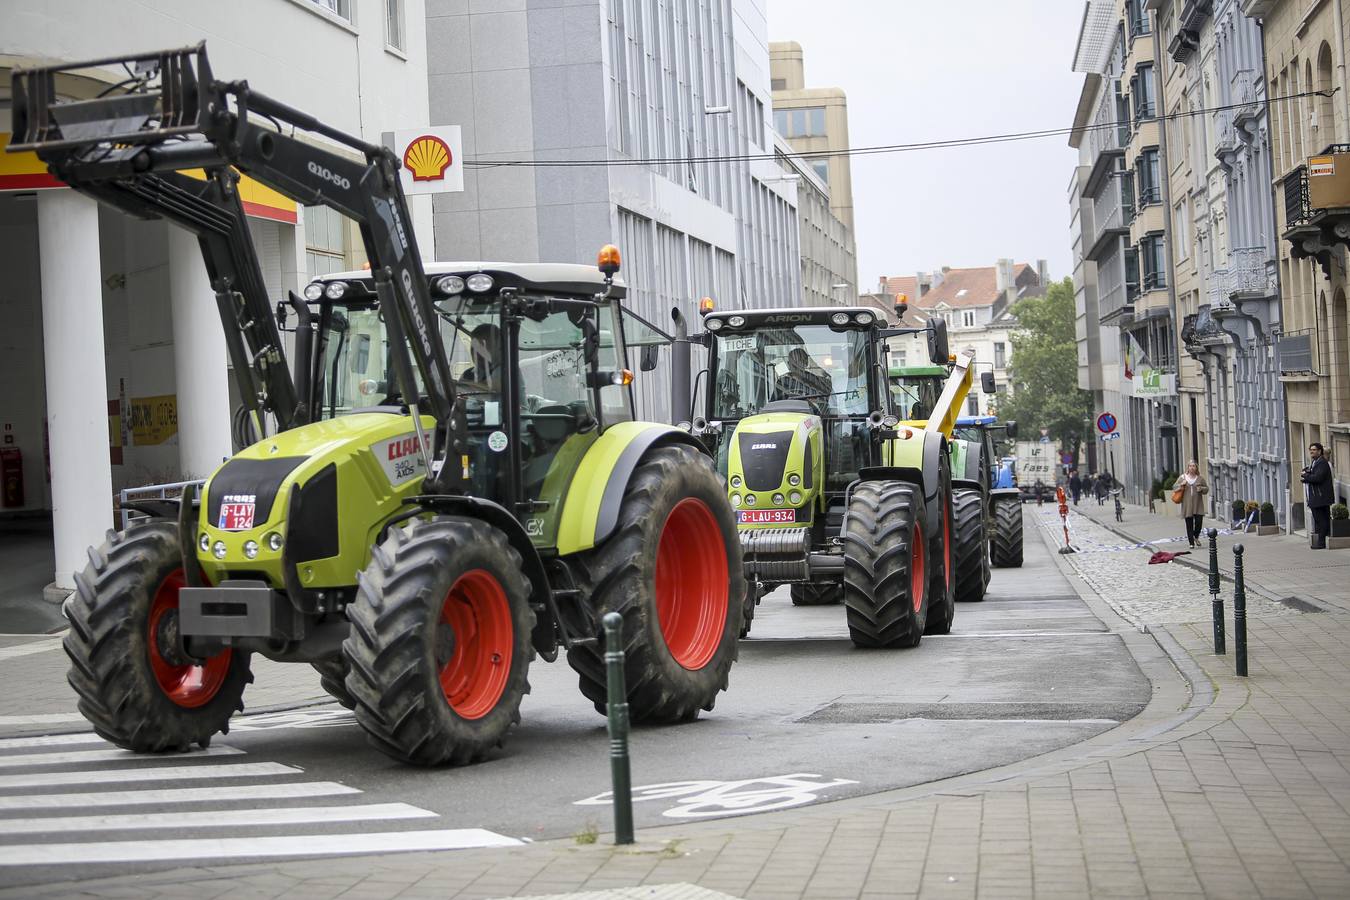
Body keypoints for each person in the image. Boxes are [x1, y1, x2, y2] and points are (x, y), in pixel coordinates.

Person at [1302, 442, 1334, 549]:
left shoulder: (1322, 463)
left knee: (1321, 520)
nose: (1311, 451)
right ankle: (1322, 541)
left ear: (1320, 451)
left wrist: (1306, 476)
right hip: (1316, 496)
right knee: (1319, 520)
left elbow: (1318, 478)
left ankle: (1321, 543)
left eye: (1314, 450)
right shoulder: (1315, 462)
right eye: (1310, 450)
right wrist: (1306, 476)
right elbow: (1313, 476)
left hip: (1321, 497)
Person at [1172, 460, 1210, 548]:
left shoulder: (1200, 478)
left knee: (1199, 522)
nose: (1192, 468)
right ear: (1188, 468)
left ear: (1196, 468)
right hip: (1187, 505)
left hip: (1198, 504)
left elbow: (1206, 489)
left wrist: (1201, 489)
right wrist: (1181, 484)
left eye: (1194, 466)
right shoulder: (1182, 477)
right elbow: (1174, 487)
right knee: (1189, 524)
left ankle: (1195, 536)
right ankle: (1191, 543)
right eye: (1190, 466)